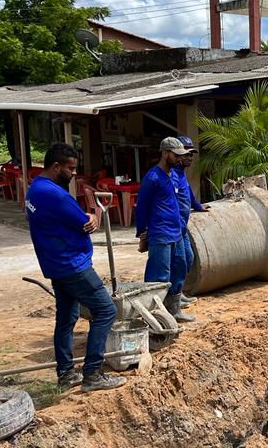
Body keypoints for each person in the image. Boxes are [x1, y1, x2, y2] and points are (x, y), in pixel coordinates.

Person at [25, 143, 125, 393]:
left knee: (66, 318)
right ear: (56, 166)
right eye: (70, 169)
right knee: (105, 310)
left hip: (55, 264)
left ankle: (66, 374)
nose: (73, 173)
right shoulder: (55, 194)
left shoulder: (34, 189)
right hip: (72, 265)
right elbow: (84, 222)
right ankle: (92, 374)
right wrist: (94, 217)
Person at [134, 137, 194, 322]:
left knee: (180, 267)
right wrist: (142, 232)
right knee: (159, 276)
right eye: (176, 155)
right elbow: (142, 206)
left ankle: (173, 309)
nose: (179, 159)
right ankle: (152, 316)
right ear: (165, 153)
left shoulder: (171, 176)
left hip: (176, 232)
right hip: (161, 234)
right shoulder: (153, 178)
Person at [171, 136, 206, 306]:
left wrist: (198, 206)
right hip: (174, 228)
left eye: (191, 154)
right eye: (186, 154)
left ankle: (179, 291)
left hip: (182, 227)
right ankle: (173, 297)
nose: (189, 158)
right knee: (178, 262)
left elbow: (188, 194)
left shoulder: (181, 174)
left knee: (188, 258)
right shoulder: (171, 175)